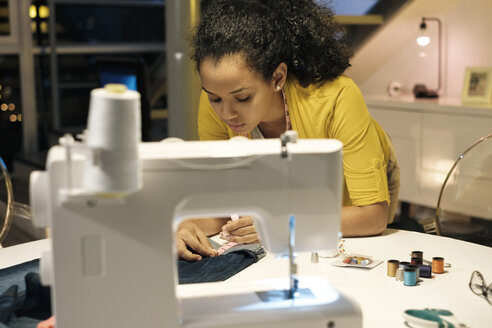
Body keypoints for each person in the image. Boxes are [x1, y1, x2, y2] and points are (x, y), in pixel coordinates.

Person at [176, 0, 400, 261]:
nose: (227, 113)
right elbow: (224, 205)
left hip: (352, 197)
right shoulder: (217, 98)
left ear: (277, 78)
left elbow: (372, 217)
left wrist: (278, 223)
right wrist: (183, 225)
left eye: (244, 97)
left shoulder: (337, 97)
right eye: (215, 99)